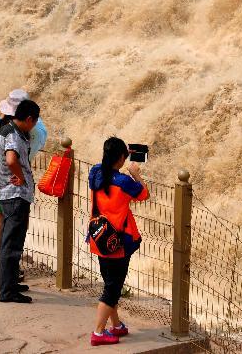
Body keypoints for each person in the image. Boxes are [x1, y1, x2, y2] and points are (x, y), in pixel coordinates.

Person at [88, 138, 149, 346]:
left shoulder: (95, 173)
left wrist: (121, 154)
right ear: (122, 158)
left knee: (110, 284)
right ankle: (98, 333)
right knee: (112, 289)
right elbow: (144, 194)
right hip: (117, 243)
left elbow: (104, 167)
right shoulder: (124, 182)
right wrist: (136, 174)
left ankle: (116, 325)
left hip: (99, 237)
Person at [0, 90, 48, 255]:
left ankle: (2, 261)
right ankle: (11, 263)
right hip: (19, 175)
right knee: (18, 226)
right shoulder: (34, 130)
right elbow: (39, 141)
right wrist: (21, 176)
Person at [0, 99, 41, 304]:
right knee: (11, 245)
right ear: (29, 119)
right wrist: (21, 177)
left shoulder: (6, 129)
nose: (34, 126)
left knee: (11, 242)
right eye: (35, 122)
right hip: (14, 195)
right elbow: (11, 159)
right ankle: (7, 291)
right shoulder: (13, 134)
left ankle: (10, 283)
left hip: (9, 194)